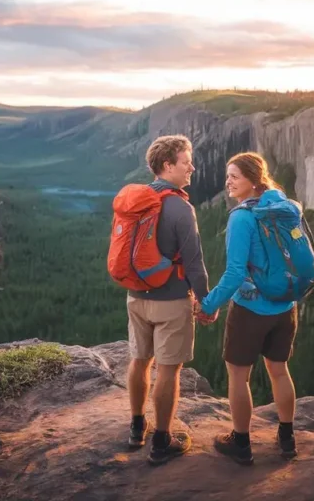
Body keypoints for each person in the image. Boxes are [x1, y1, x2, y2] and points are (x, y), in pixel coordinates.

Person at [199, 152, 299, 465]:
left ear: (253, 181)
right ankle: (286, 437)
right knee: (279, 370)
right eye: (227, 175)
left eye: (234, 176)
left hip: (250, 310)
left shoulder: (242, 217)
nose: (227, 182)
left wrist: (209, 304)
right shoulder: (283, 206)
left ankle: (241, 443)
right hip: (285, 306)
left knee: (238, 378)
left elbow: (235, 274)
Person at [124, 135, 209, 466]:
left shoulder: (136, 201)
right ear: (167, 165)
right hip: (172, 301)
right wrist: (205, 300)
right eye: (186, 161)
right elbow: (194, 262)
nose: (192, 167)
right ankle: (161, 441)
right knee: (168, 371)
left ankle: (135, 427)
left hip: (136, 298)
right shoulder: (180, 207)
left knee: (139, 360)